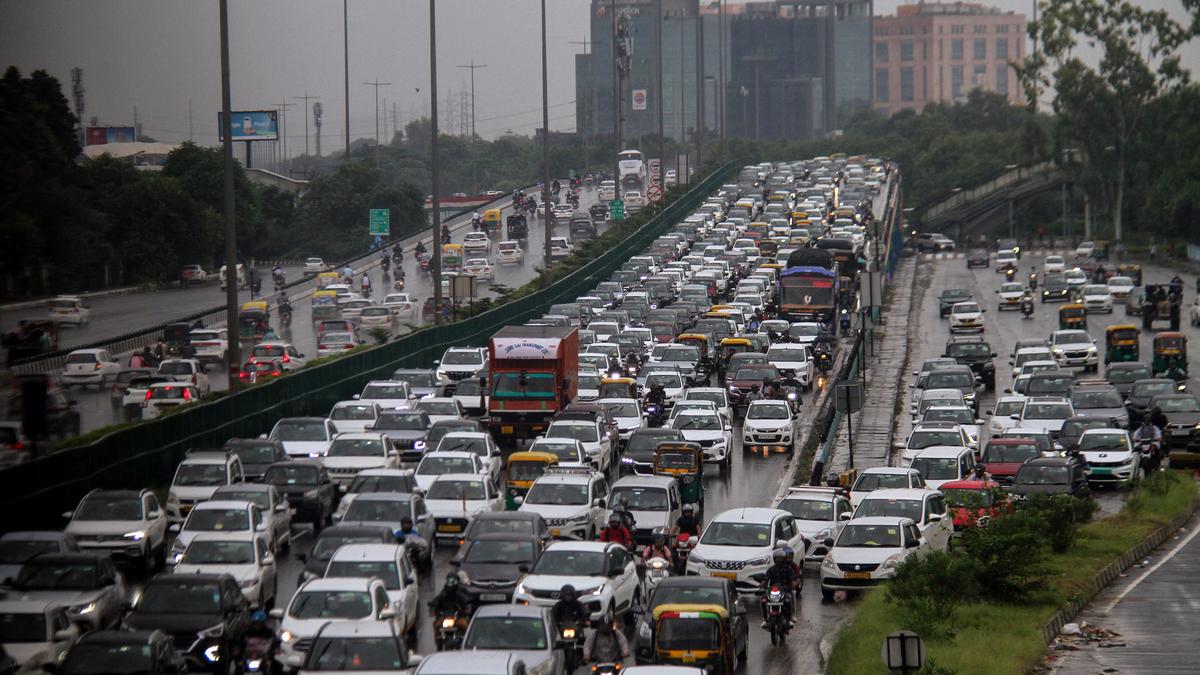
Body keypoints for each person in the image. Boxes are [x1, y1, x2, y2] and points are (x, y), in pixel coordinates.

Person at [428, 572, 474, 644]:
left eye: (453, 580)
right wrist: (433, 608)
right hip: (444, 618)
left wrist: (466, 609)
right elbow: (436, 601)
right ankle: (438, 642)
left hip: (459, 617)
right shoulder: (444, 593)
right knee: (436, 625)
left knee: (464, 625)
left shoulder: (461, 592)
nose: (451, 583)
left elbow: (467, 601)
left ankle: (465, 642)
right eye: (450, 581)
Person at [760, 548, 800, 628]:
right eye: (777, 559)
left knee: (788, 599)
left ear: (784, 559)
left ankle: (789, 620)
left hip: (784, 591)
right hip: (772, 591)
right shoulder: (771, 569)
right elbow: (766, 579)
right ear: (774, 559)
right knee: (763, 599)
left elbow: (793, 579)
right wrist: (762, 584)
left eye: (780, 559)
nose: (779, 560)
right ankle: (765, 619)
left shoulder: (788, 569)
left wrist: (793, 584)